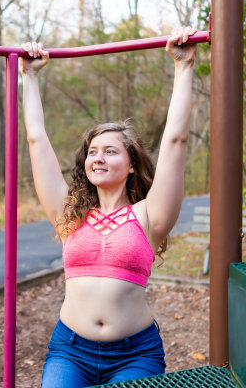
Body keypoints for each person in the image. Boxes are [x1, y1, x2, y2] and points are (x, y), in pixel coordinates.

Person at [20, 26, 198, 387]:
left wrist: (183, 68)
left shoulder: (149, 216)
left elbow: (176, 140)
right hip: (70, 351)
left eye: (110, 151)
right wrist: (30, 77)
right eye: (92, 152)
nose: (97, 157)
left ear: (131, 164)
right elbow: (36, 140)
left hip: (136, 354)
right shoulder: (70, 214)